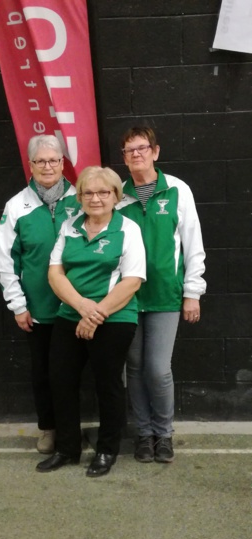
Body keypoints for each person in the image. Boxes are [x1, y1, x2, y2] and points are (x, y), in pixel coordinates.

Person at [36, 166, 146, 477]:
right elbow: (55, 273)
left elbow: (133, 281)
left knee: (107, 383)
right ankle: (67, 450)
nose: (95, 198)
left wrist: (96, 315)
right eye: (88, 193)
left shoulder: (129, 229)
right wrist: (82, 307)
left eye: (103, 192)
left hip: (115, 317)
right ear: (80, 197)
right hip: (70, 314)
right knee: (60, 381)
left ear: (115, 196)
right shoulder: (70, 226)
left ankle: (107, 450)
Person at [116, 126, 206, 464]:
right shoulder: (117, 194)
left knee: (157, 368)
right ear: (123, 158)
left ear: (155, 152)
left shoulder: (178, 191)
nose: (136, 155)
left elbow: (193, 243)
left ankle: (164, 434)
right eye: (129, 151)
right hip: (126, 296)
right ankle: (143, 434)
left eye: (142, 148)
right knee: (134, 366)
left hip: (166, 295)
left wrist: (193, 292)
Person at [0, 135, 80, 453]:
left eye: (54, 160)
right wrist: (18, 305)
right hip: (39, 311)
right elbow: (6, 261)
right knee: (43, 373)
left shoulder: (83, 199)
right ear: (30, 165)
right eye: (40, 161)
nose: (48, 166)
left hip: (78, 308)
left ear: (63, 163)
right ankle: (48, 428)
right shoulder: (17, 206)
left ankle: (72, 430)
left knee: (74, 373)